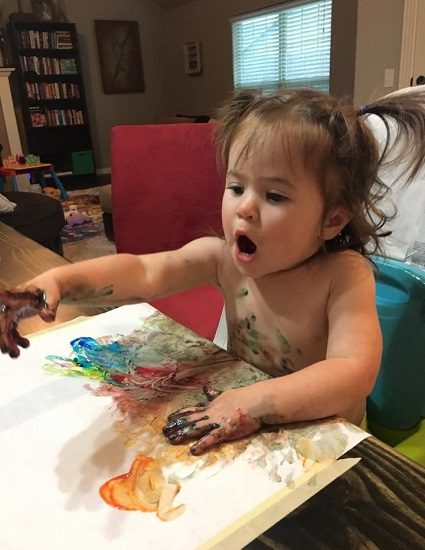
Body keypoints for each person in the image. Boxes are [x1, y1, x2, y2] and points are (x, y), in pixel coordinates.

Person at [1, 88, 425, 456]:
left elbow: (352, 373)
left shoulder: (343, 275)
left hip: (326, 443)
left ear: (332, 220)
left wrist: (253, 402)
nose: (245, 207)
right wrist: (61, 281)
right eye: (236, 187)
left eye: (275, 195)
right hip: (243, 418)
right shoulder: (221, 258)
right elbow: (145, 271)